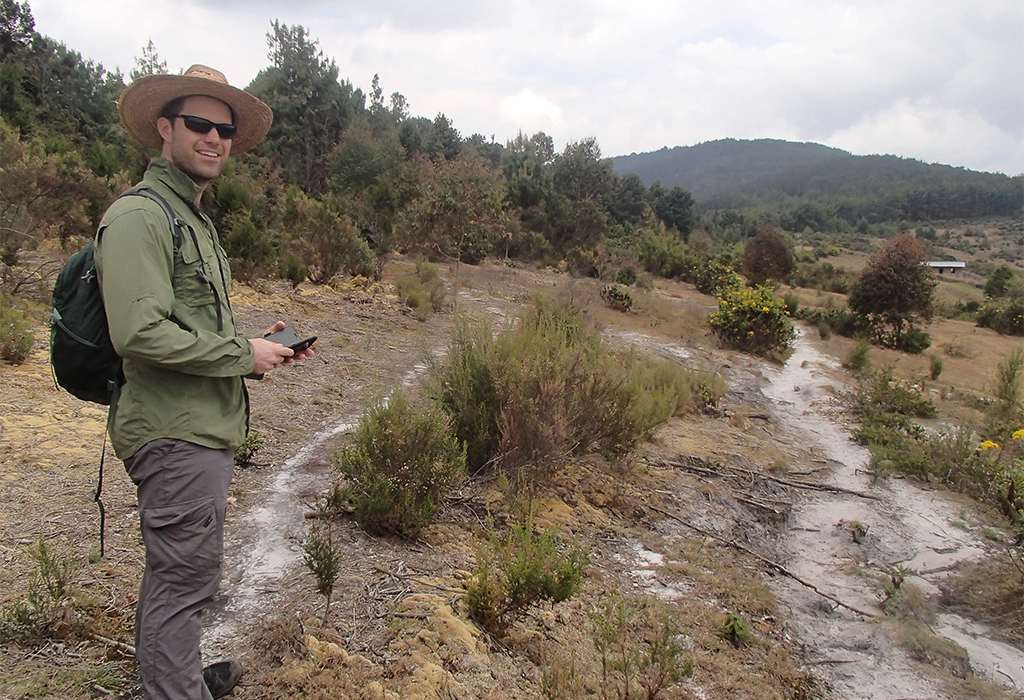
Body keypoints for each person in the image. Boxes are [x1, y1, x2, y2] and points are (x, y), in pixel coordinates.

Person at [95, 65, 309, 700]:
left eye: (224, 129)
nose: (214, 138)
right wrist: (240, 354)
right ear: (164, 128)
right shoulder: (142, 215)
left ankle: (178, 675)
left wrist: (255, 348)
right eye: (198, 124)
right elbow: (137, 333)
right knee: (185, 581)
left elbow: (188, 328)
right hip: (172, 431)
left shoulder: (193, 219)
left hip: (194, 424)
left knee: (177, 576)